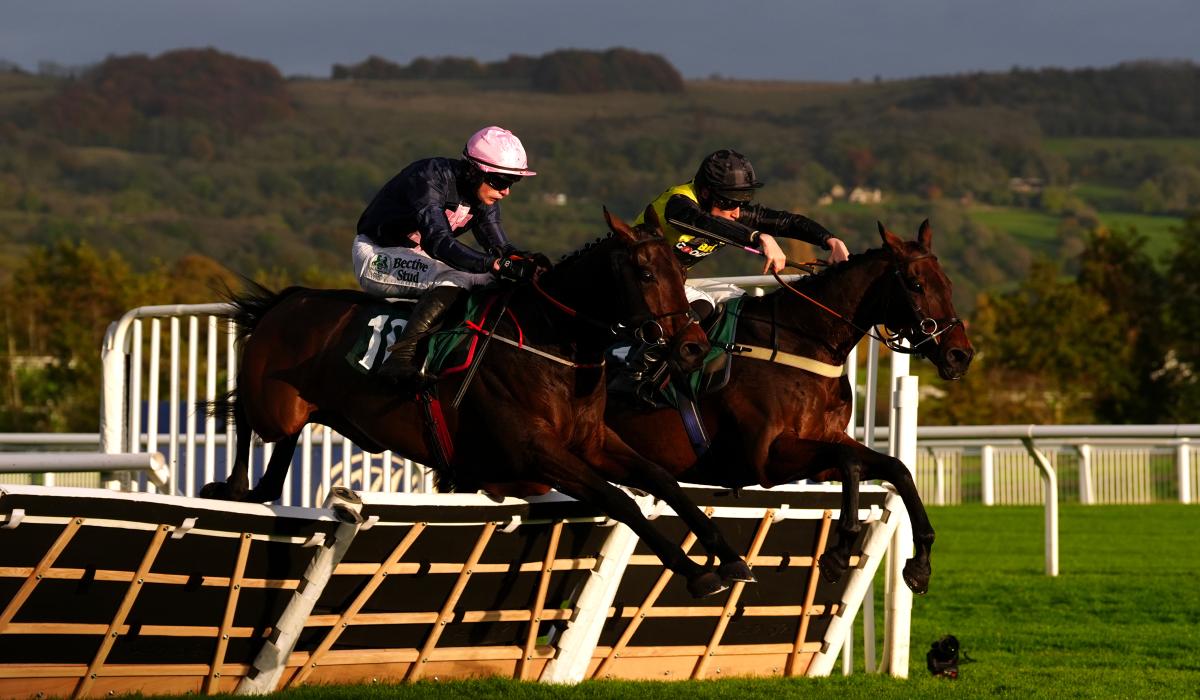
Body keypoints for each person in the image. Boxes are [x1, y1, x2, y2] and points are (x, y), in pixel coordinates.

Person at [353, 125, 542, 384]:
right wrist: (495, 263)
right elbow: (438, 242)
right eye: (500, 181)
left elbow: (501, 249)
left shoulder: (483, 197)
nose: (506, 191)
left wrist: (527, 263)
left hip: (419, 259)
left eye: (512, 182)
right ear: (473, 171)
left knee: (491, 279)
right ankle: (399, 359)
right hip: (377, 255)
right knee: (460, 278)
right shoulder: (430, 177)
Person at [635, 148, 850, 320]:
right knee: (703, 307)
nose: (736, 212)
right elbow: (703, 222)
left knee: (737, 302)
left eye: (741, 203)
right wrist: (758, 237)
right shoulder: (678, 204)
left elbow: (785, 222)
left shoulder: (726, 209)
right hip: (631, 284)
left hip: (667, 283)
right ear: (706, 193)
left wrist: (829, 240)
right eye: (730, 202)